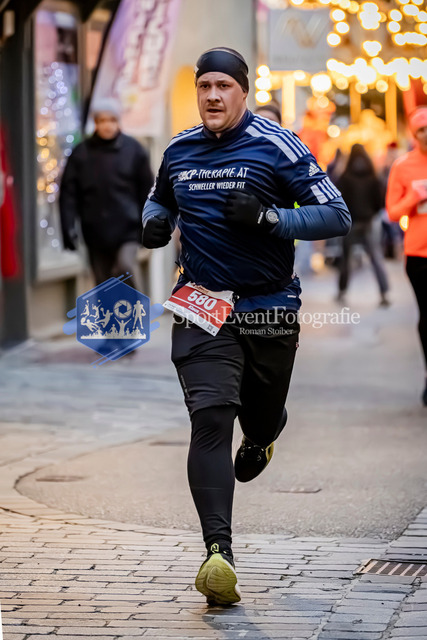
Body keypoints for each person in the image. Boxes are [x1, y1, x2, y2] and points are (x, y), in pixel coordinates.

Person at [142, 47, 351, 606]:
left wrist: (268, 217)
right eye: (204, 86)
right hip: (201, 304)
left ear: (243, 91)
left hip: (267, 306)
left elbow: (337, 214)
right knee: (210, 417)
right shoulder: (180, 149)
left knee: (257, 412)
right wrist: (155, 222)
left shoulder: (276, 145)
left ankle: (264, 432)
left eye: (223, 86)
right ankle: (218, 555)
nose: (212, 96)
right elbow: (159, 200)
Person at [59, 98, 153, 290]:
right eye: (102, 120)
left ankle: (137, 306)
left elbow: (148, 190)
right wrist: (68, 227)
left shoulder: (134, 150)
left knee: (125, 267)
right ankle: (110, 310)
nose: (107, 125)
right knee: (103, 282)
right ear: (95, 123)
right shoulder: (81, 153)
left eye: (112, 120)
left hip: (128, 228)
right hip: (95, 230)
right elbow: (69, 194)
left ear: (118, 121)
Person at [386, 107, 427, 406]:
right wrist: (415, 197)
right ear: (414, 134)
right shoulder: (403, 166)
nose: (426, 134)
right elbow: (392, 211)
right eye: (421, 130)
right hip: (419, 253)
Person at [336, 143, 390, 306]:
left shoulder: (345, 176)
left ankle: (342, 291)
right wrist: (371, 213)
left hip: (350, 223)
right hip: (369, 221)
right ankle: (384, 293)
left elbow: (339, 200)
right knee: (376, 257)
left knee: (346, 258)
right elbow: (379, 201)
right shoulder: (373, 176)